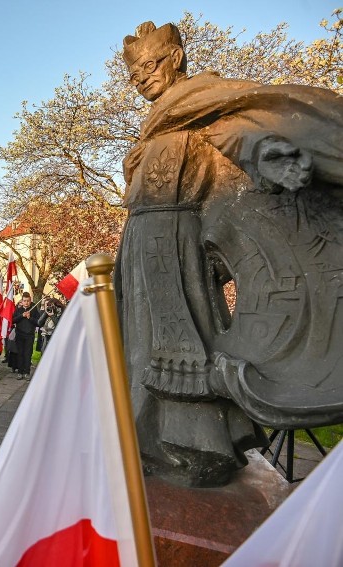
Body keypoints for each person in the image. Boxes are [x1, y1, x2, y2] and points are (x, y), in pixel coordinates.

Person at [114, 21, 343, 485]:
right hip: (140, 246)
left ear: (176, 57)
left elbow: (241, 136)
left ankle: (197, 448)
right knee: (138, 349)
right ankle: (142, 441)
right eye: (134, 75)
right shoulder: (153, 124)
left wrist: (271, 153)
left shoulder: (199, 103)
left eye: (149, 66)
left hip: (178, 247)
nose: (143, 79)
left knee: (186, 341)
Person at [12, 292, 41, 380]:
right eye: (24, 301)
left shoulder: (34, 309)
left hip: (29, 335)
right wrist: (22, 316)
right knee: (20, 353)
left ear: (30, 300)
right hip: (20, 334)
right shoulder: (18, 310)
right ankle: (20, 372)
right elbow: (13, 320)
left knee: (28, 354)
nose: (26, 303)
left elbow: (38, 322)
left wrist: (29, 318)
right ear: (22, 301)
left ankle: (27, 372)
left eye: (28, 301)